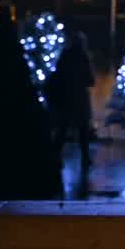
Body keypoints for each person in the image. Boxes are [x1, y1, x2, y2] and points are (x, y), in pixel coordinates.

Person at [48, 30, 96, 167]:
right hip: (79, 99)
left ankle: (55, 157)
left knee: (62, 129)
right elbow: (90, 80)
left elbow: (57, 76)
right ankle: (85, 158)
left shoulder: (64, 57)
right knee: (82, 130)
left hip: (65, 98)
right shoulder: (83, 58)